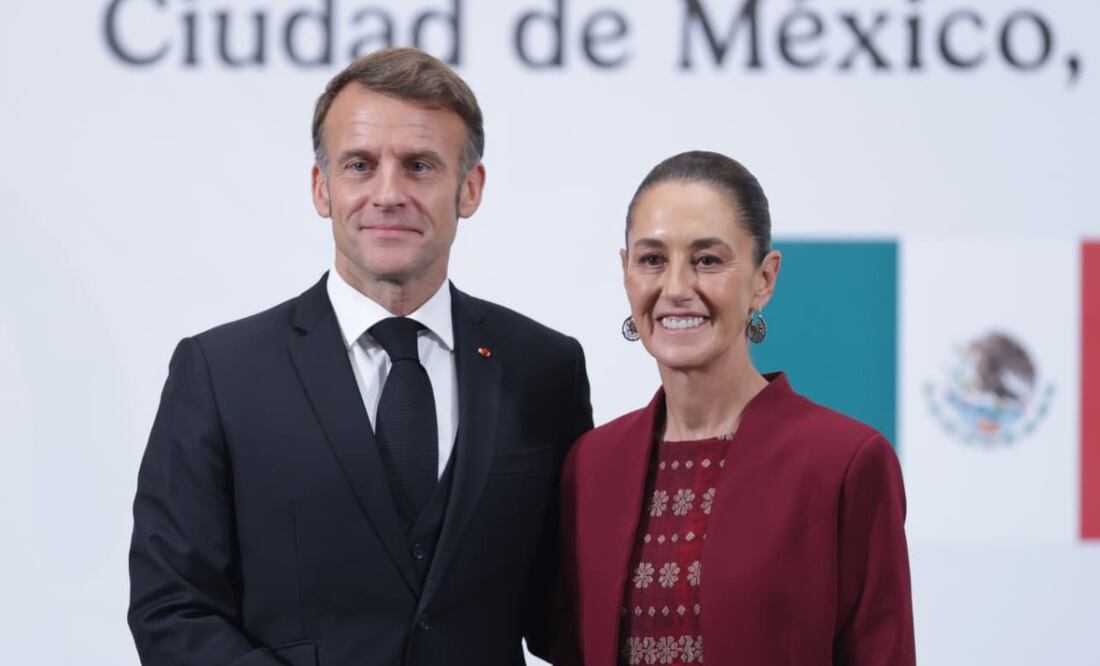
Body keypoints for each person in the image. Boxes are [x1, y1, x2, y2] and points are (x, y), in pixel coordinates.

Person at [128, 48, 593, 666]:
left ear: (470, 188)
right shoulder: (219, 372)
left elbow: (567, 609)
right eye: (360, 165)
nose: (389, 193)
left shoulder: (544, 368)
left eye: (421, 166)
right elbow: (172, 608)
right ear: (322, 188)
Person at [554, 151, 914, 665]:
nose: (676, 289)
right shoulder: (590, 465)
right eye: (652, 259)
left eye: (707, 260)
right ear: (626, 272)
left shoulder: (846, 462)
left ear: (764, 279)